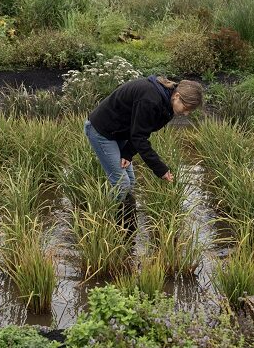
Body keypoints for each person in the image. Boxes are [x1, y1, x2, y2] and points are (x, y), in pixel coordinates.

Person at [84, 75, 204, 231]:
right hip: (101, 131)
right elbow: (139, 137)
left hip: (119, 132)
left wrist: (127, 153)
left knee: (130, 181)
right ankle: (105, 222)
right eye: (186, 108)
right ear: (177, 96)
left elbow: (142, 131)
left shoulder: (167, 105)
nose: (186, 114)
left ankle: (123, 222)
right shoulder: (150, 99)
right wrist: (160, 169)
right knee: (121, 184)